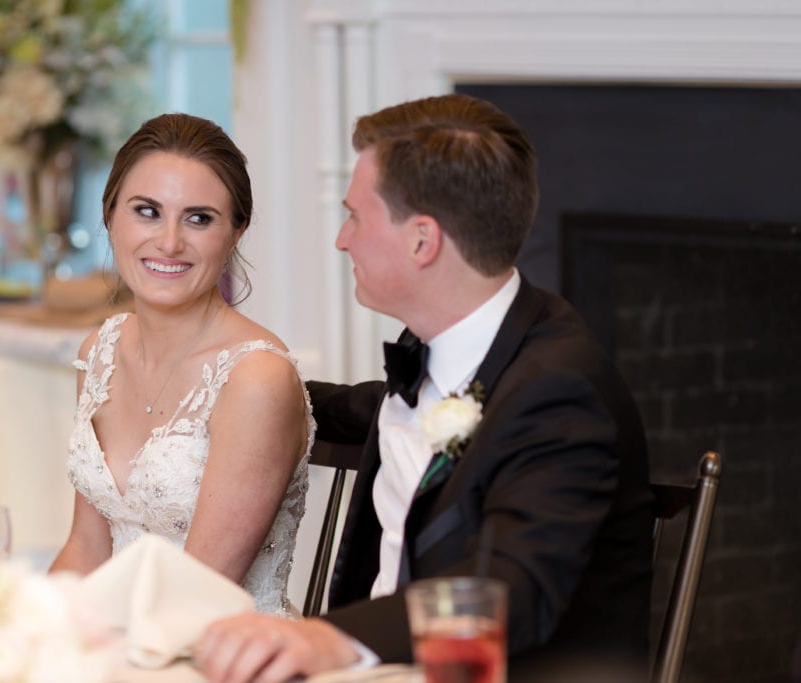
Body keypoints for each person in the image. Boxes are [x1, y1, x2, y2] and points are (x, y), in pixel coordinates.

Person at [197, 93, 653, 681]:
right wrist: (235, 384)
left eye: (356, 216)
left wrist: (328, 638)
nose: (342, 239)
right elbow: (364, 409)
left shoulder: (561, 393)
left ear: (422, 241)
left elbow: (509, 593)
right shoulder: (464, 355)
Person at [49, 113, 314, 616]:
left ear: (235, 233)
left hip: (218, 654)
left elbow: (195, 596)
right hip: (119, 644)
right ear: (109, 217)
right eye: (147, 211)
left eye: (199, 218)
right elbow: (86, 549)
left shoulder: (256, 378)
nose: (169, 242)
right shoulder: (99, 353)